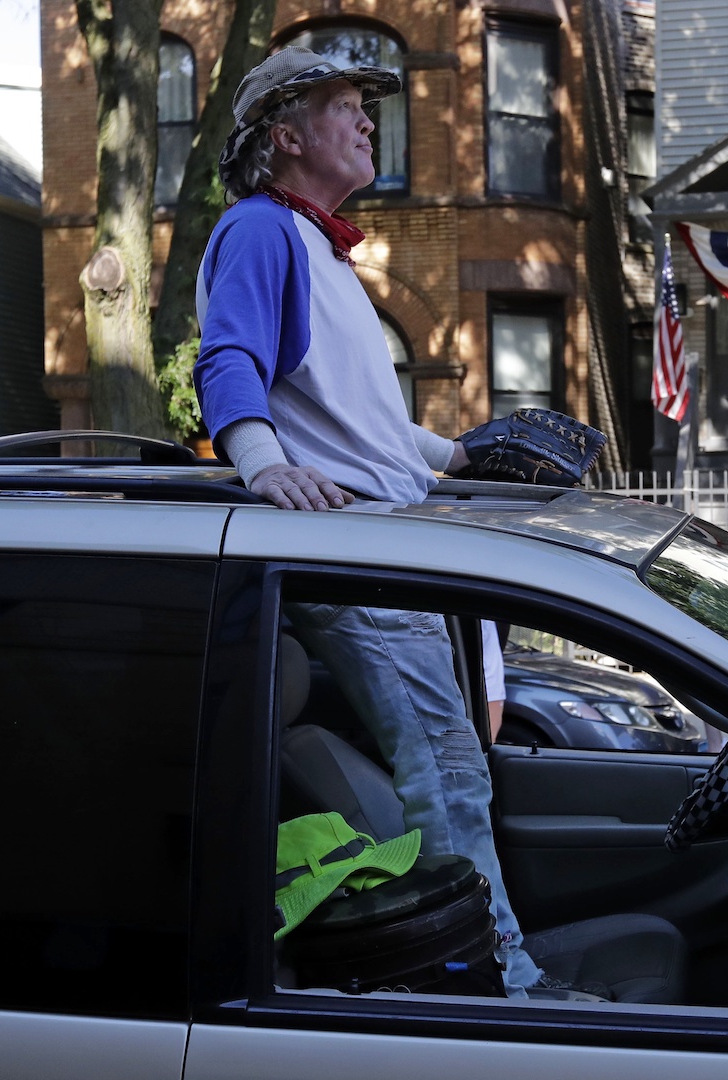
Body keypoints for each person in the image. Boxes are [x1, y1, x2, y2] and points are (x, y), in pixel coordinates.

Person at [193, 48, 543, 993]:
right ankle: (501, 985)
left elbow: (367, 429)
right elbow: (225, 364)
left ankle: (487, 968)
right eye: (342, 105)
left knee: (454, 767)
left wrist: (460, 456)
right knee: (449, 772)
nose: (365, 120)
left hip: (390, 548)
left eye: (363, 106)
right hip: (363, 564)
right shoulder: (263, 231)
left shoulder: (319, 248)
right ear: (286, 136)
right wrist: (263, 466)